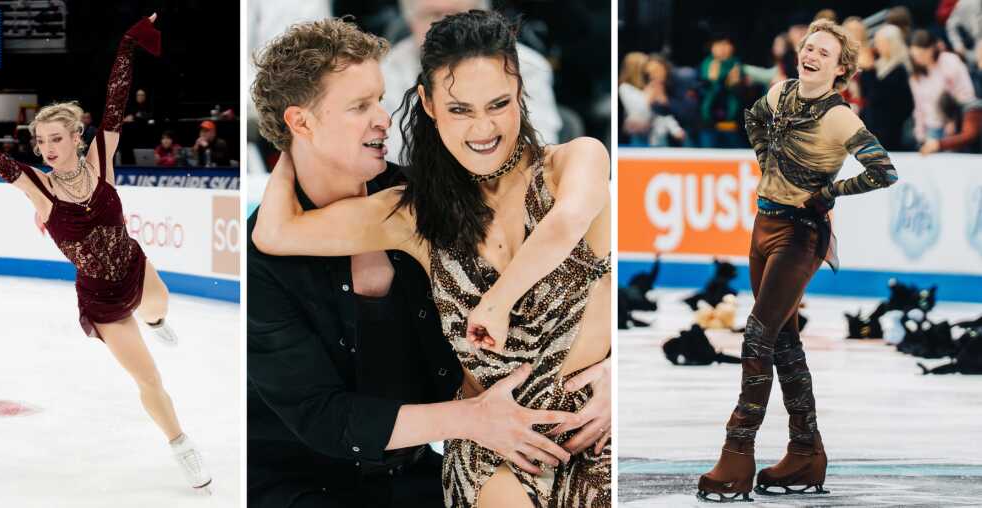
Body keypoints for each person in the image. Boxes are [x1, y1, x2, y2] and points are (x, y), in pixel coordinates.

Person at [252, 11, 611, 507]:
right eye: (360, 105)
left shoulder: (563, 164)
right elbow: (275, 235)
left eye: (499, 103)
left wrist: (612, 373)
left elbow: (570, 234)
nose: (382, 116)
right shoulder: (405, 215)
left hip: (556, 436)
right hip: (320, 480)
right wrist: (291, 143)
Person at [0, 14, 212, 494]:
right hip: (101, 298)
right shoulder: (37, 185)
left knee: (159, 309)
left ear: (76, 137)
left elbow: (115, 102)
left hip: (134, 265)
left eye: (56, 139)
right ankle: (182, 445)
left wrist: (127, 45)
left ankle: (157, 321)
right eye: (41, 141)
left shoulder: (104, 156)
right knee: (149, 376)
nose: (47, 148)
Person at [696, 19, 898, 502]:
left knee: (758, 336)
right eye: (808, 47)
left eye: (823, 53)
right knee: (783, 341)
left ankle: (737, 454)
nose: (811, 55)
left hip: (800, 235)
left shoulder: (839, 118)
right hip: (762, 227)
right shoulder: (780, 93)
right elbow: (751, 119)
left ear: (839, 69)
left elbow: (884, 170)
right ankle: (805, 450)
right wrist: (766, 156)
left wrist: (829, 191)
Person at [381, 0, 561, 162]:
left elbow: (539, 144)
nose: (445, 24)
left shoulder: (528, 65)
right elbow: (395, 154)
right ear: (410, 20)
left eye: (457, 14)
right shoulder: (387, 69)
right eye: (433, 14)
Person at [908, 29, 977, 148]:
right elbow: (919, 106)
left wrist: (952, 119)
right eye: (915, 56)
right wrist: (920, 133)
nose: (918, 59)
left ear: (932, 48)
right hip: (932, 127)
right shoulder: (916, 76)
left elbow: (966, 94)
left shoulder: (949, 61)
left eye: (921, 54)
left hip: (954, 125)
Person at [860, 24, 915, 151]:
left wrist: (869, 70)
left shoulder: (901, 69)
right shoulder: (878, 64)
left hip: (891, 132)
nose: (877, 45)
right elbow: (866, 93)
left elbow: (880, 97)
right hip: (871, 127)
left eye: (881, 42)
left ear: (892, 43)